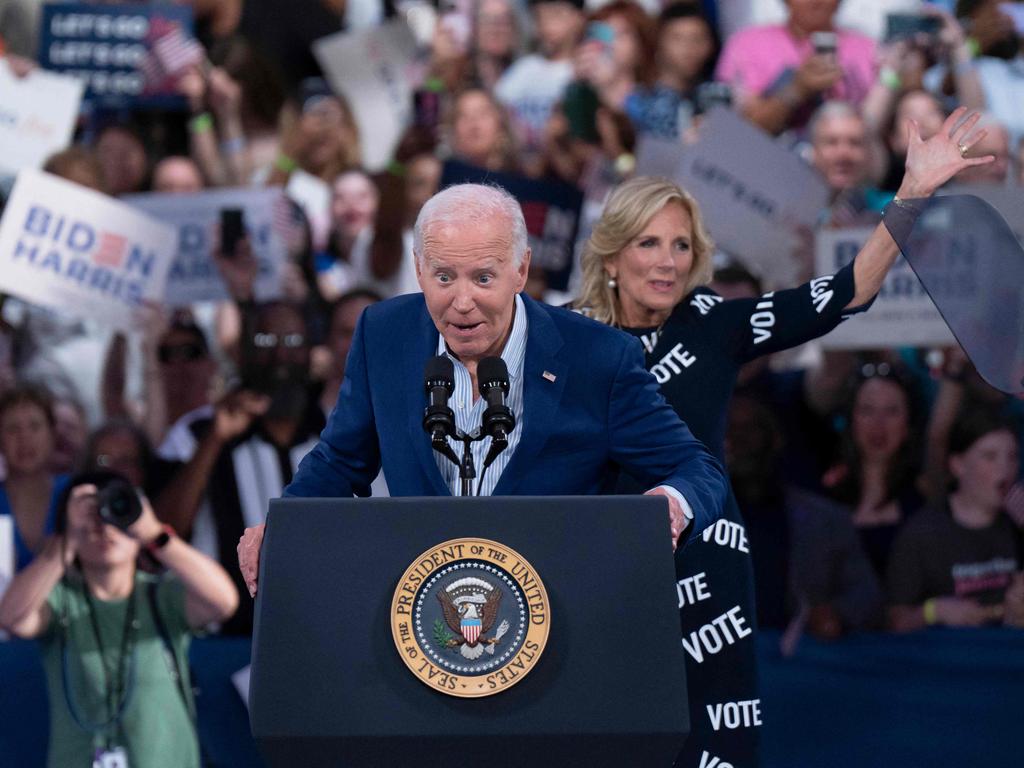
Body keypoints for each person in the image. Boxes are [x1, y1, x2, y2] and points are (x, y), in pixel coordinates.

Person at [572, 106, 994, 766]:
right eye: (648, 244)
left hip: (703, 569)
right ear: (613, 253)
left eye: (681, 245)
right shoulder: (566, 338)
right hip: (599, 567)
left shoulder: (714, 326)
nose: (666, 261)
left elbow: (846, 293)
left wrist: (911, 195)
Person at [237, 183, 729, 596]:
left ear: (521, 269)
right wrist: (283, 526)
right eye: (444, 276)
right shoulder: (383, 334)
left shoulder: (597, 356)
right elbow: (339, 464)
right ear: (418, 268)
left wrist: (672, 503)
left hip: (557, 612)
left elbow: (696, 468)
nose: (462, 302)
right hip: (422, 616)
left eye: (484, 277)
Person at [0, 471, 238, 768]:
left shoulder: (160, 596)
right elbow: (11, 617)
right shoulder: (60, 601)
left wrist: (154, 533)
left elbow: (223, 602)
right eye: (92, 516)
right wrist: (67, 541)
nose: (104, 526)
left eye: (116, 511)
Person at [887, 410, 1024, 631]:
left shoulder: (1016, 524)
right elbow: (892, 621)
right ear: (958, 465)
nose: (1005, 469)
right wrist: (934, 611)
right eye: (990, 456)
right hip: (951, 658)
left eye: (1013, 457)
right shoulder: (923, 533)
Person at [822, 367, 925, 578]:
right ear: (851, 420)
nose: (879, 424)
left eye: (892, 411)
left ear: (908, 425)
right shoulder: (826, 496)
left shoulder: (926, 493)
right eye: (867, 410)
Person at [0, 385, 69, 571]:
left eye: (35, 426)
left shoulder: (74, 493)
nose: (24, 438)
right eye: (13, 429)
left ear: (53, 433)